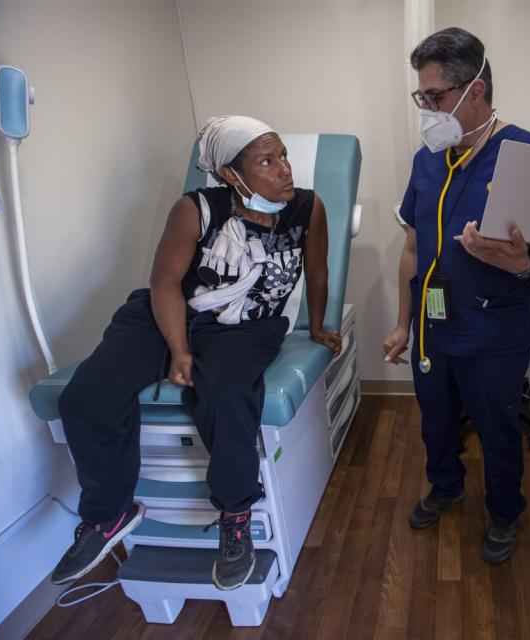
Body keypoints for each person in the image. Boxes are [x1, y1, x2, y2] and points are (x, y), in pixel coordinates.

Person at [51, 115, 341, 591]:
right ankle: (108, 515)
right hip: (168, 313)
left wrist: (318, 325)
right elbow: (164, 283)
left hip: (245, 326)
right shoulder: (195, 209)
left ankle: (236, 512)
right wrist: (179, 350)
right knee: (85, 397)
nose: (285, 169)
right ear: (232, 174)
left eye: (283, 156)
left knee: (225, 396)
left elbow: (319, 269)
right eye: (267, 161)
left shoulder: (308, 209)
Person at [382, 28, 530, 564]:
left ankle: (503, 512)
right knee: (436, 420)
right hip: (434, 325)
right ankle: (445, 487)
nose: (426, 109)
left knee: (496, 430)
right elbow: (412, 249)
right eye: (420, 97)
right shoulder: (429, 159)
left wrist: (526, 264)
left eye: (435, 97)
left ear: (477, 90)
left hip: (494, 331)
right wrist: (403, 323)